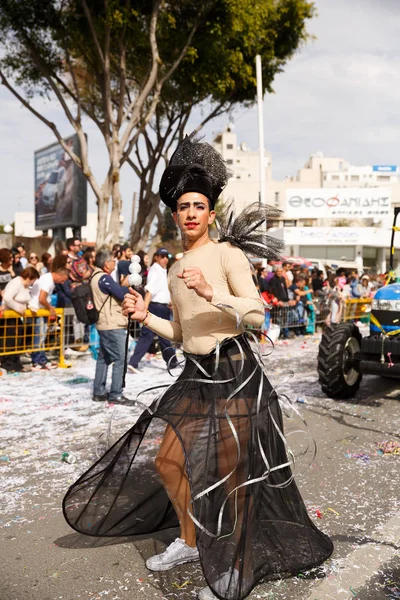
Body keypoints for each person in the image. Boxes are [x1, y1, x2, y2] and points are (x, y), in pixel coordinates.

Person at [63, 133, 333, 600]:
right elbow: (185, 336)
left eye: (198, 205)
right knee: (169, 462)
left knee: (233, 476)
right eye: (182, 206)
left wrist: (213, 293)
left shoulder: (226, 255)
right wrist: (147, 317)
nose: (189, 212)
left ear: (210, 212)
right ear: (175, 214)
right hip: (195, 373)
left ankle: (236, 565)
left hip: (234, 370)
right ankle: (190, 542)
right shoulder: (173, 268)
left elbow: (255, 315)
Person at [127, 247, 178, 373]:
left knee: (155, 336)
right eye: (162, 256)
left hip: (161, 306)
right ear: (157, 257)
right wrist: (144, 308)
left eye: (167, 257)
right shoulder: (156, 270)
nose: (165, 259)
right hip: (157, 306)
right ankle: (172, 361)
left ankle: (172, 361)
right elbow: (149, 291)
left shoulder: (161, 270)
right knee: (161, 335)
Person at [90, 248, 130, 403]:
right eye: (113, 260)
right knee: (121, 358)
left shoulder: (94, 277)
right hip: (112, 323)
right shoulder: (104, 279)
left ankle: (98, 391)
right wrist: (126, 285)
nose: (115, 263)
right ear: (107, 264)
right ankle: (116, 393)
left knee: (104, 357)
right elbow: (121, 294)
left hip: (103, 323)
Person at [29, 266, 69, 370]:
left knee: (42, 336)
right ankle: (36, 359)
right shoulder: (48, 281)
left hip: (42, 310)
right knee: (39, 336)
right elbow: (41, 298)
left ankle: (42, 358)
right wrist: (50, 307)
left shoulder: (48, 279)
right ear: (59, 275)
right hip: (38, 310)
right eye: (62, 280)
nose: (61, 283)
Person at [1, 266, 40, 372]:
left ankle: (16, 363)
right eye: (33, 280)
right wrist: (18, 308)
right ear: (28, 277)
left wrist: (30, 307)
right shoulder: (16, 283)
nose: (32, 283)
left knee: (19, 340)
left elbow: (26, 299)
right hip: (9, 316)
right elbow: (7, 298)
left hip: (17, 317)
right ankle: (7, 364)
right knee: (9, 341)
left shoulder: (25, 287)